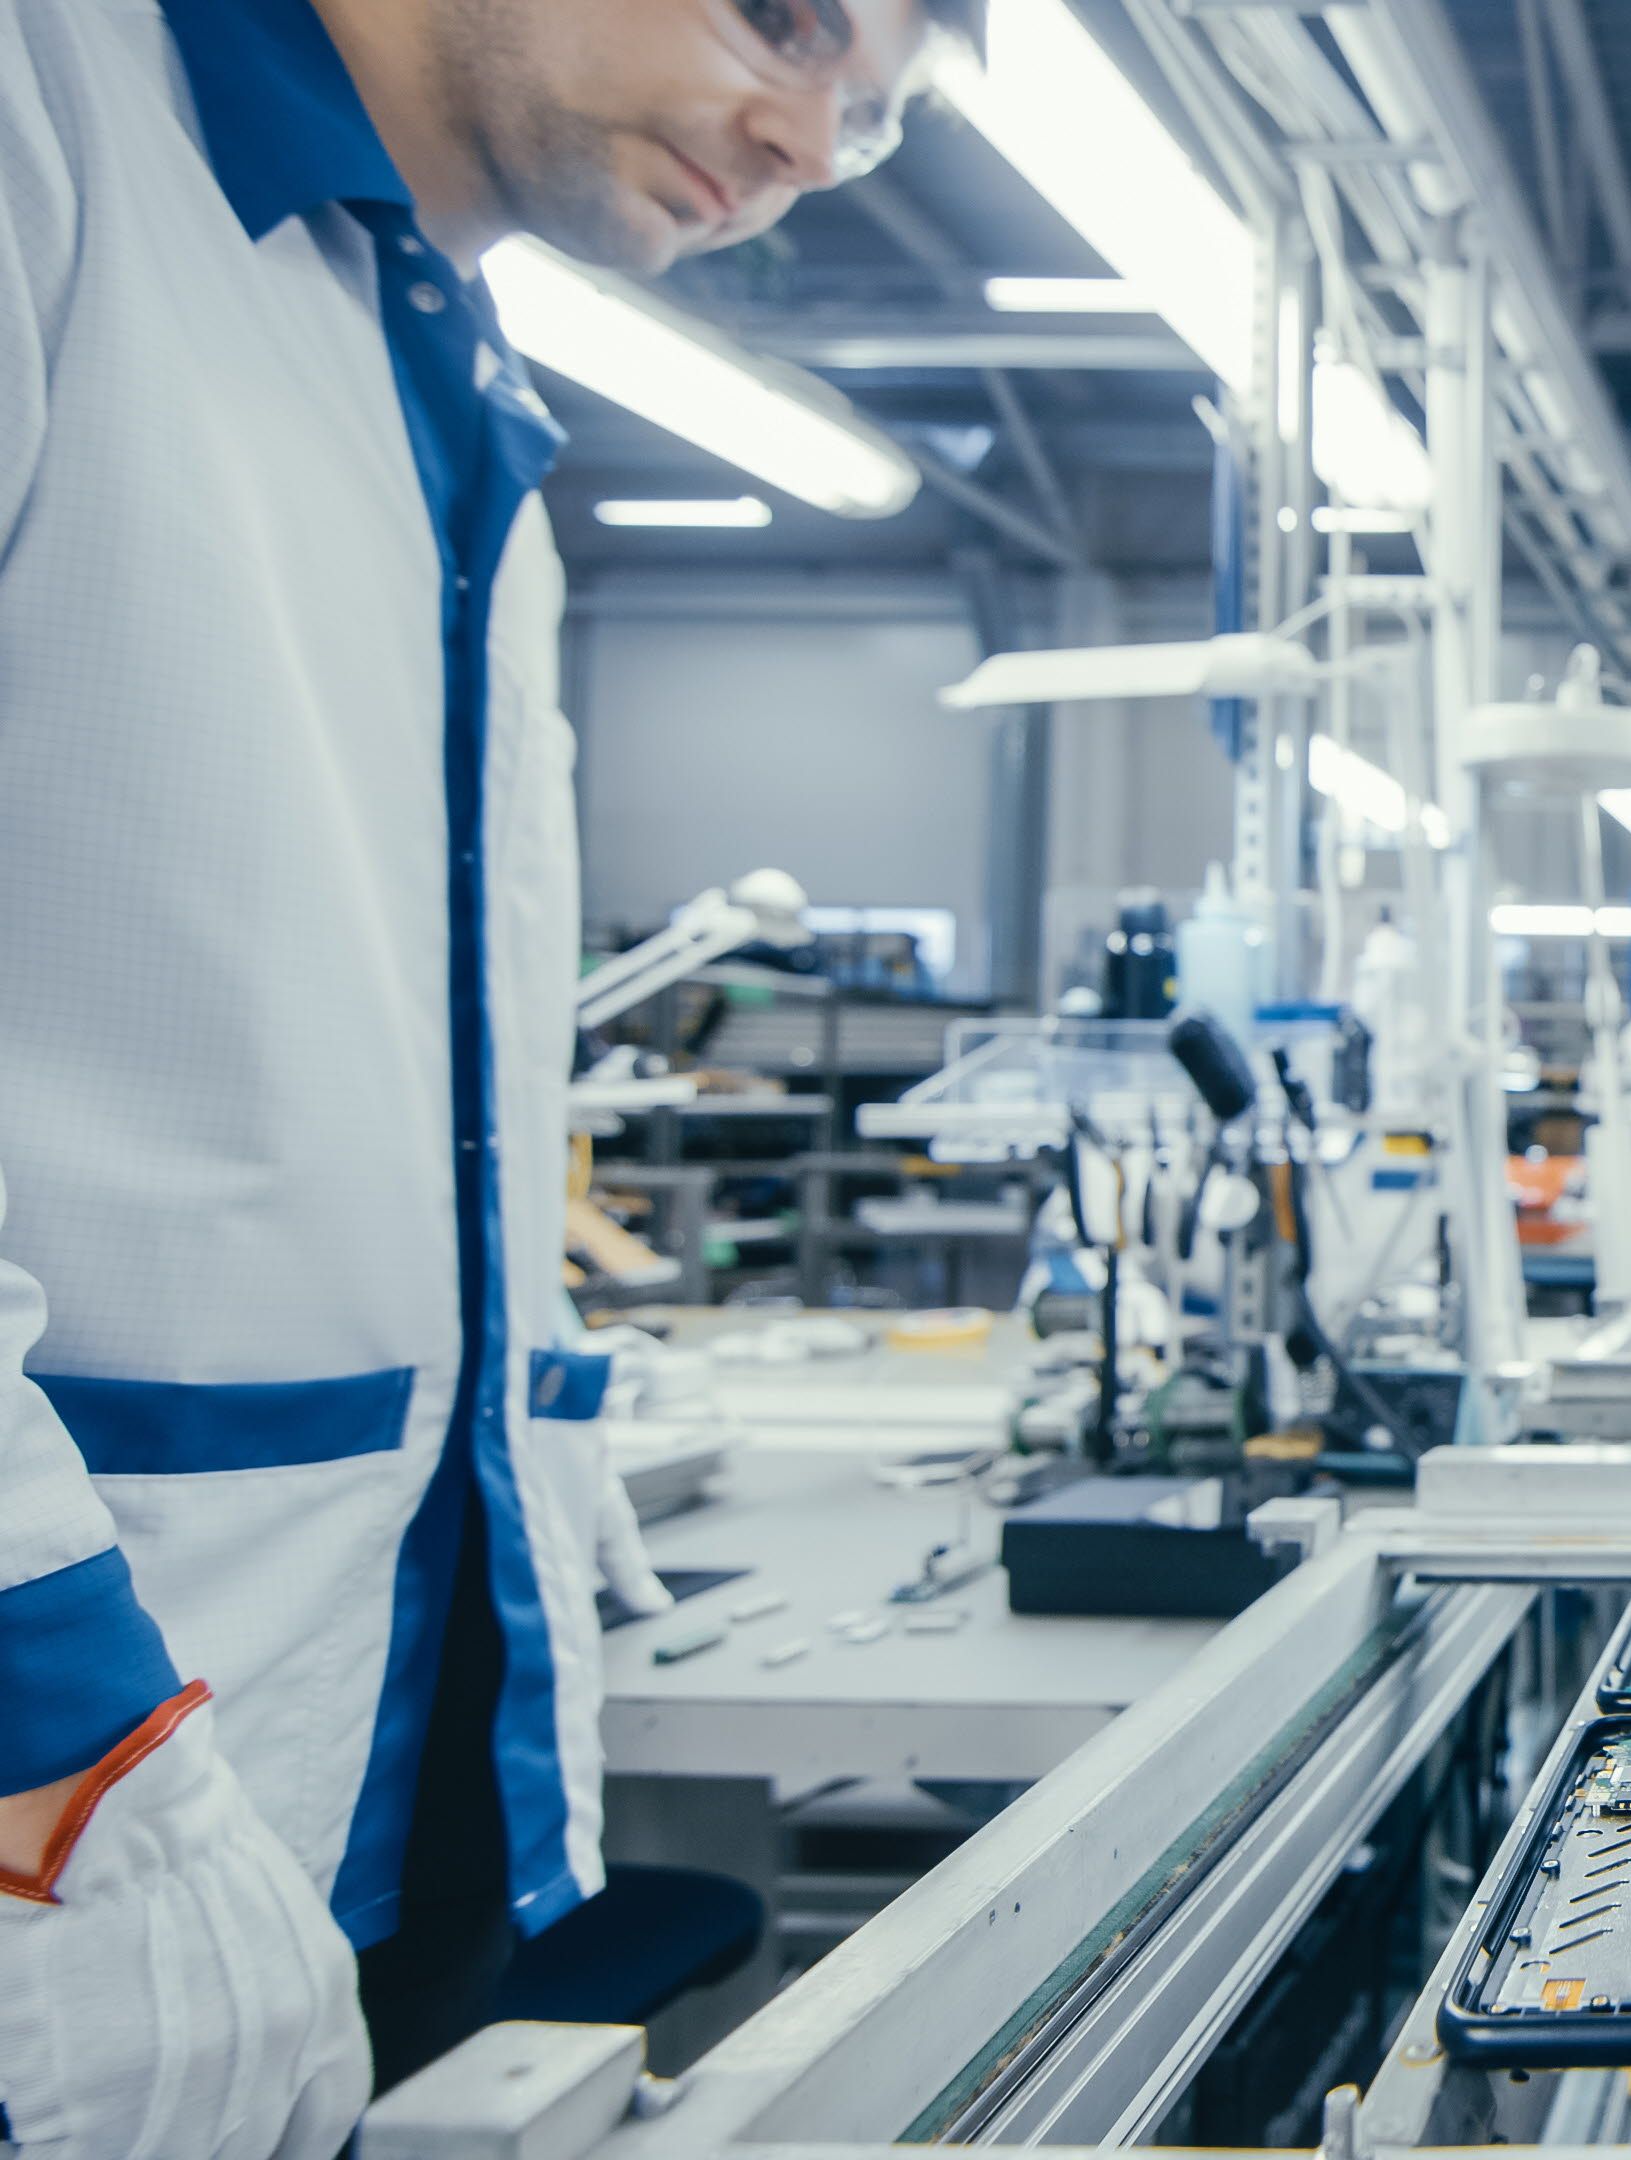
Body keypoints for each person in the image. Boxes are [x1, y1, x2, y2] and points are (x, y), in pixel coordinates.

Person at [0, 0, 968, 2150]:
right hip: (65, 1749)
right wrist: (41, 1704)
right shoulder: (52, 114)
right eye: (785, 19)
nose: (810, 134)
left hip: (357, 1760)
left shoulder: (443, 386)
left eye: (881, 114)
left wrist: (520, 1455)